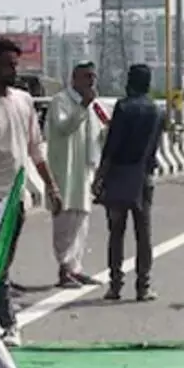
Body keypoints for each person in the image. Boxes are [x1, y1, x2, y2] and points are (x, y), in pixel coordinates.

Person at [0, 37, 59, 347]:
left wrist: (51, 185)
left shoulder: (23, 101)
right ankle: (9, 324)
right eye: (7, 65)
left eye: (16, 64)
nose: (13, 70)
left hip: (17, 198)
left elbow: (36, 148)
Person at [93, 64, 166, 302]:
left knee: (116, 232)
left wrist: (99, 177)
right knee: (143, 233)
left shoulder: (123, 108)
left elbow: (111, 147)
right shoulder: (156, 111)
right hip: (144, 177)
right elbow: (155, 146)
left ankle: (115, 286)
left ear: (130, 82)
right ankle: (143, 287)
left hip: (118, 176)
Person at [45, 61, 106, 288]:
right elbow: (63, 128)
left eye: (93, 76)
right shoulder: (61, 101)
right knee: (65, 221)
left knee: (81, 222)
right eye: (86, 76)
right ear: (74, 79)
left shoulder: (93, 106)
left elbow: (99, 135)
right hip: (65, 172)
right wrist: (83, 107)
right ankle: (64, 270)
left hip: (85, 172)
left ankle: (76, 268)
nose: (91, 81)